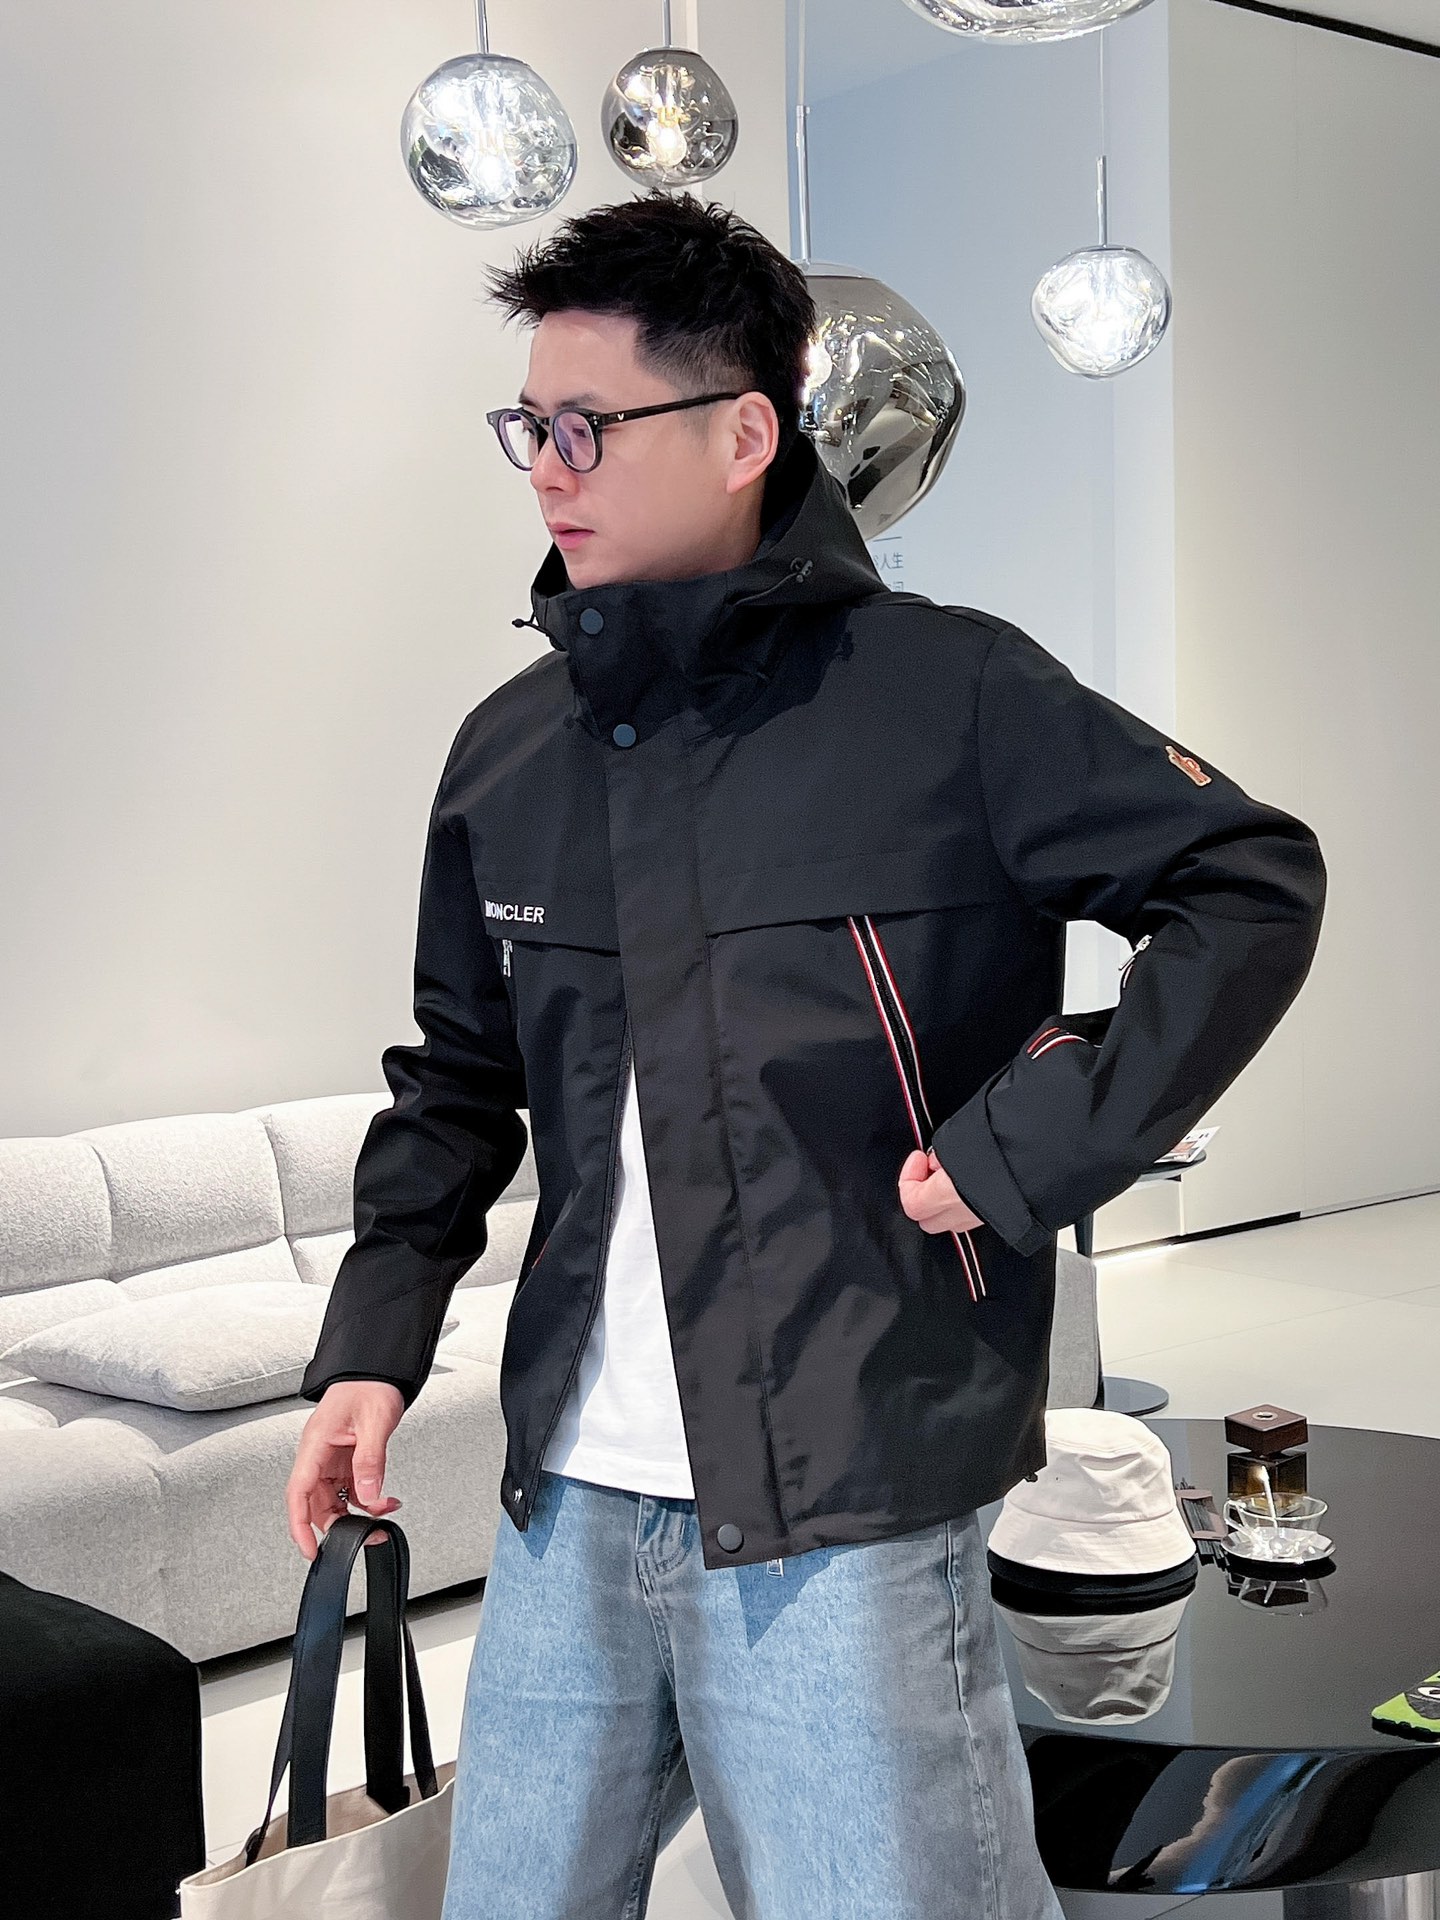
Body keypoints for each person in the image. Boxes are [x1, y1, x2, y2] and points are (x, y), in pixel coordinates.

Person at [285, 192, 1326, 1919]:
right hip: (565, 1502)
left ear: (744, 434)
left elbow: (1247, 881)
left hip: (845, 1501)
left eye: (587, 426)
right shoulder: (510, 751)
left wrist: (1027, 1145)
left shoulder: (950, 697)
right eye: (526, 428)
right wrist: (373, 1345)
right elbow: (459, 1073)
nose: (545, 471)